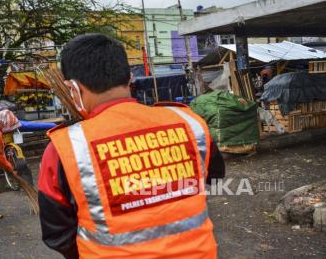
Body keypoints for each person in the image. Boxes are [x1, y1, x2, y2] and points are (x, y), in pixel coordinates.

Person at [38, 34, 225, 258]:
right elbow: (213, 176)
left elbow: (57, 233)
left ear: (74, 89)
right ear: (129, 78)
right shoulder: (189, 122)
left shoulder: (64, 148)